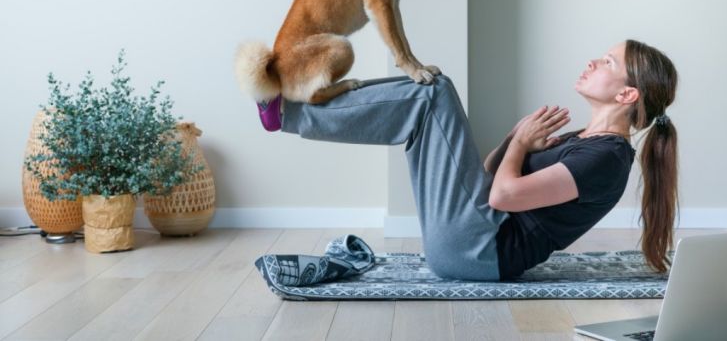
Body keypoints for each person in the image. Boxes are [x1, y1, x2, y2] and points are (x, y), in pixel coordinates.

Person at [256, 39, 678, 281]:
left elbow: (504, 197)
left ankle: (291, 111)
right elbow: (491, 175)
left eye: (607, 62)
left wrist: (520, 145)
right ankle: (293, 108)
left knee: (434, 91)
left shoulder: (606, 158)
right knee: (427, 99)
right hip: (473, 240)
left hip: (480, 252)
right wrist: (516, 139)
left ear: (627, 95)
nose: (592, 61)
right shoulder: (585, 140)